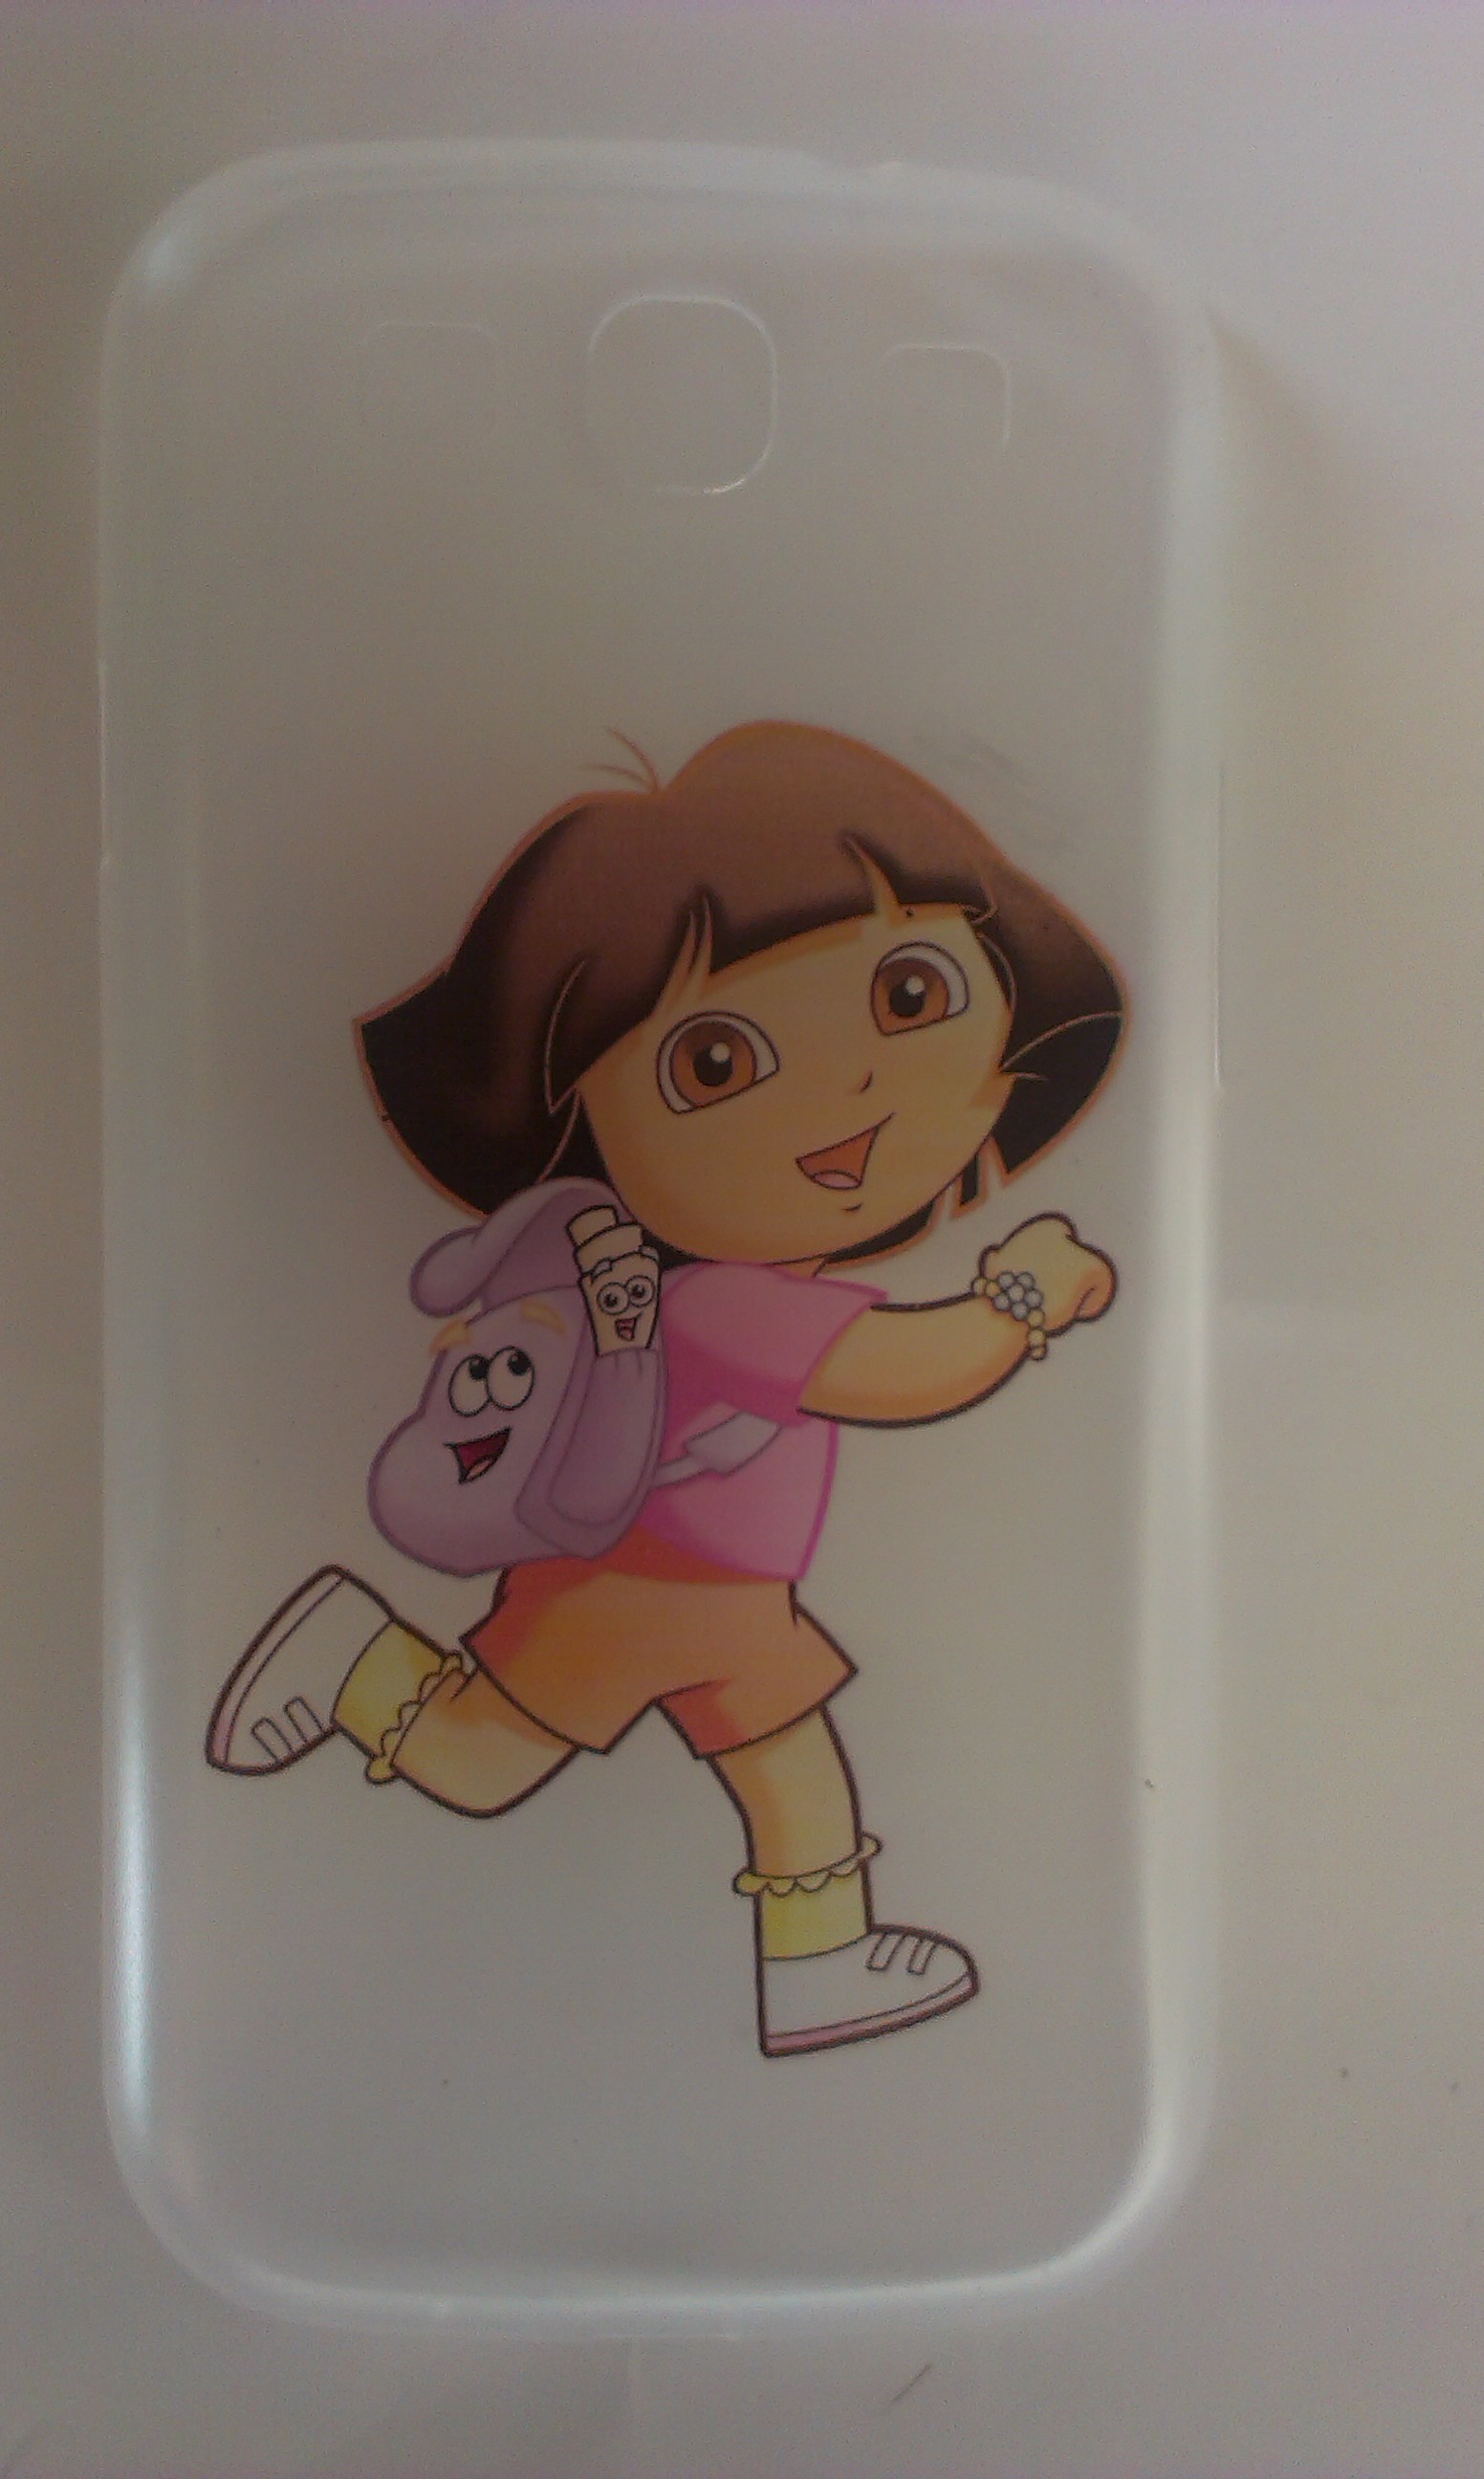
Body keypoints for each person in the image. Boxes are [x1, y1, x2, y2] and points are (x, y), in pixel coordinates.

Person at [207, 721, 1124, 2058]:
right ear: (584, 1121)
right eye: (715, 1065)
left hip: (703, 1592)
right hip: (646, 1590)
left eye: (910, 994)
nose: (852, 1086)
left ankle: (819, 1959)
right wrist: (1023, 1300)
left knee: (750, 1760)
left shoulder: (744, 1283)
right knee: (496, 1762)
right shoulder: (728, 1301)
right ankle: (351, 1661)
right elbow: (912, 1373)